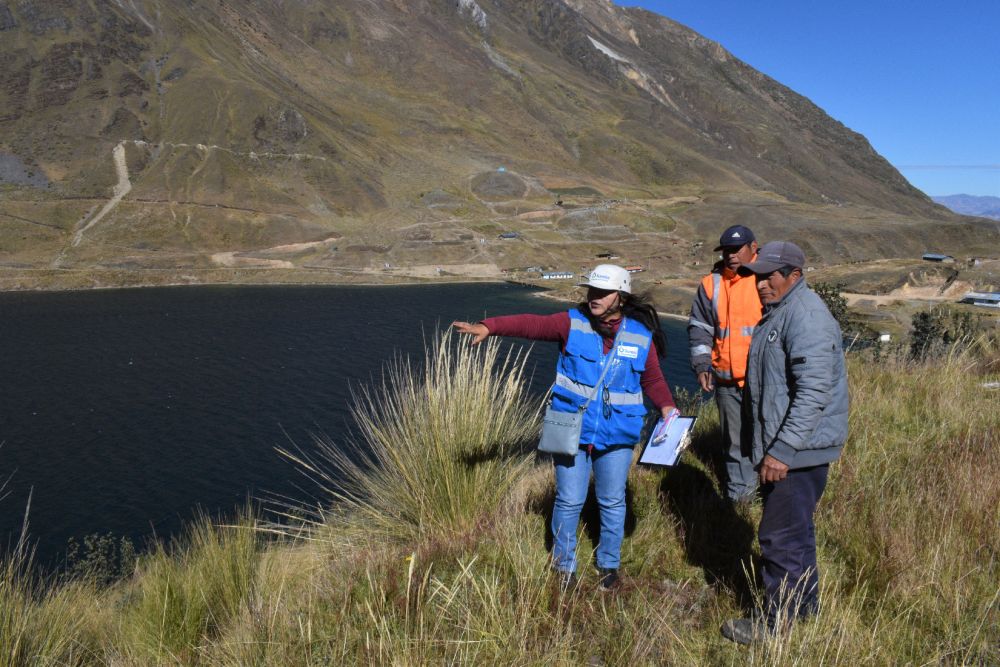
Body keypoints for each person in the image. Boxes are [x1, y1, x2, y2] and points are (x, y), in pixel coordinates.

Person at [453, 265, 678, 591]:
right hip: (572, 428)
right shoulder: (571, 323)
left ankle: (608, 567)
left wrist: (668, 407)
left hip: (617, 435)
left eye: (602, 292)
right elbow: (532, 324)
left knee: (612, 501)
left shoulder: (641, 337)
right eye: (591, 290)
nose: (594, 297)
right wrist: (490, 327)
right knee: (569, 500)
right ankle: (564, 568)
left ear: (622, 297)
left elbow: (653, 379)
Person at [720, 242, 849, 645]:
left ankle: (780, 625)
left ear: (795, 274)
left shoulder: (806, 317)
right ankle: (804, 611)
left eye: (769, 276)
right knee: (795, 532)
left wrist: (781, 451)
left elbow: (813, 393)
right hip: (791, 448)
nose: (760, 284)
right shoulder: (784, 311)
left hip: (796, 452)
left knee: (781, 537)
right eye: (757, 276)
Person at [687, 225, 763, 502]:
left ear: (753, 247)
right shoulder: (711, 283)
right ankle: (740, 501)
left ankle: (773, 496)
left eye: (737, 249)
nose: (731, 255)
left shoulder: (767, 277)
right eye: (727, 250)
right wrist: (702, 365)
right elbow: (700, 328)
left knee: (769, 436)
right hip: (726, 380)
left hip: (765, 378)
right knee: (734, 443)